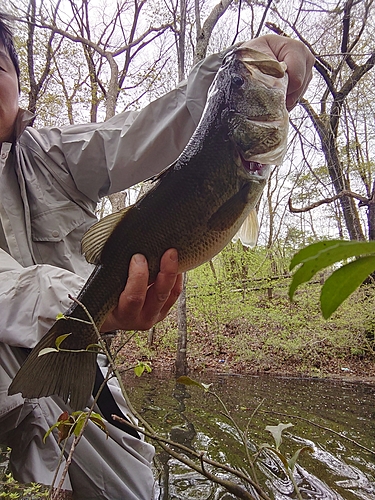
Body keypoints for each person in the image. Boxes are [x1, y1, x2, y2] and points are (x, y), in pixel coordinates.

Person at [0, 11, 315, 500]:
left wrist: (233, 69)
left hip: (71, 357)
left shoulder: (51, 155)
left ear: (18, 83)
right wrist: (86, 310)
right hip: (39, 344)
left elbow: (142, 134)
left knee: (132, 489)